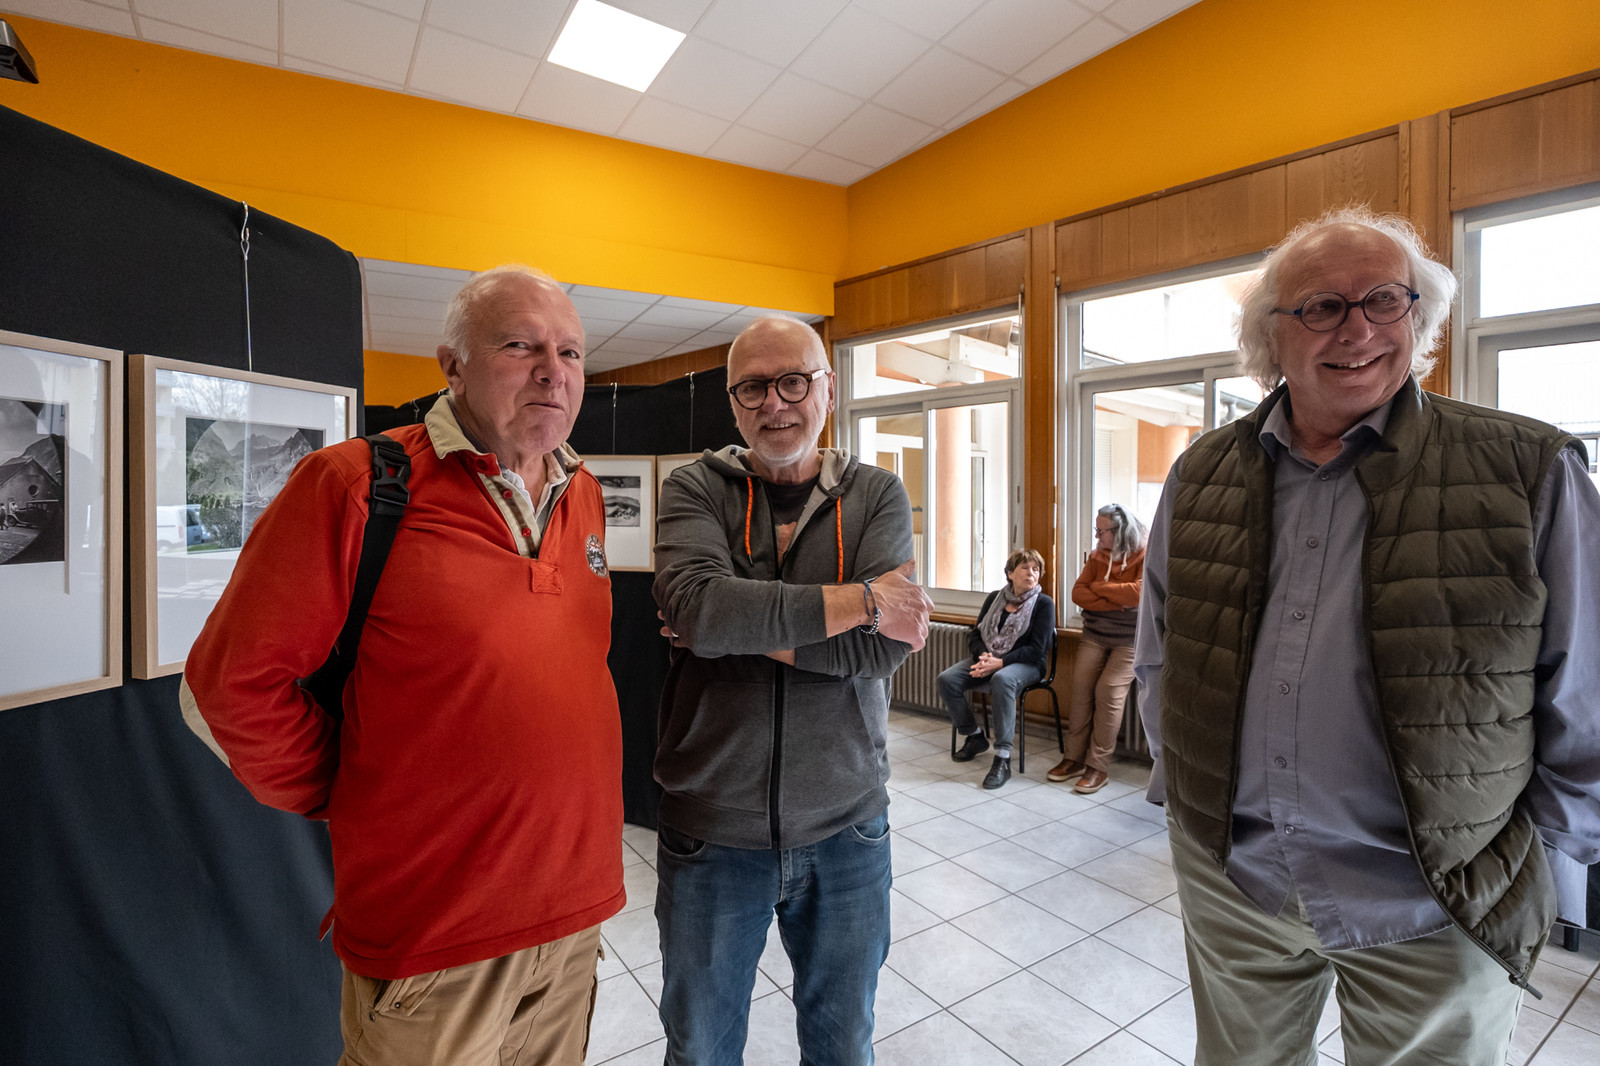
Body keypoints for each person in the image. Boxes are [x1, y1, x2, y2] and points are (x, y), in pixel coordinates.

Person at [1134, 208, 1600, 1066]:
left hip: (1436, 900)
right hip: (1239, 882)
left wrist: (1546, 873)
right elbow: (1161, 649)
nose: (1357, 328)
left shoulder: (1530, 470)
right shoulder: (1201, 472)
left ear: (1418, 321)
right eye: (1321, 306)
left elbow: (1588, 697)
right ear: (1269, 338)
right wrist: (1186, 806)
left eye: (1386, 300)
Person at [181, 265, 624, 1066]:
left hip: (574, 917)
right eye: (521, 345)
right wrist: (351, 788)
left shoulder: (584, 492)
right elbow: (229, 688)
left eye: (571, 352)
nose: (553, 372)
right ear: (452, 366)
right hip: (435, 934)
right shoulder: (357, 485)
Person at [652, 315, 932, 1066]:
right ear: (733, 400)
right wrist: (861, 601)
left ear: (828, 390)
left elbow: (875, 658)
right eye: (753, 387)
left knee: (843, 1049)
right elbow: (699, 611)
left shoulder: (877, 495)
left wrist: (731, 625)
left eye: (794, 381)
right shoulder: (692, 488)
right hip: (711, 833)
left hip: (848, 830)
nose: (776, 403)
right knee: (700, 1051)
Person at [940, 548, 1057, 790]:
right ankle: (974, 736)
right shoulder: (995, 598)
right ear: (1010, 572)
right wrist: (983, 655)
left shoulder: (1043, 603)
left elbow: (1037, 649)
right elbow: (976, 634)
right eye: (1025, 567)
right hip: (990, 658)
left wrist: (1000, 662)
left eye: (1036, 569)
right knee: (947, 679)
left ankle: (1003, 758)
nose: (1031, 573)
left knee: (1002, 680)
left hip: (1027, 665)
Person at [1048, 504, 1144, 794]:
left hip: (1130, 640)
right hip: (1094, 634)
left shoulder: (1146, 552)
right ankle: (1073, 759)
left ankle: (1097, 767)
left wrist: (1100, 589)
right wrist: (1118, 597)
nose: (1097, 537)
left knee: (1108, 692)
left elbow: (1139, 594)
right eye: (1096, 530)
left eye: (1102, 532)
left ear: (1121, 531)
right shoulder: (1097, 556)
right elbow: (1079, 593)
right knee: (1080, 691)